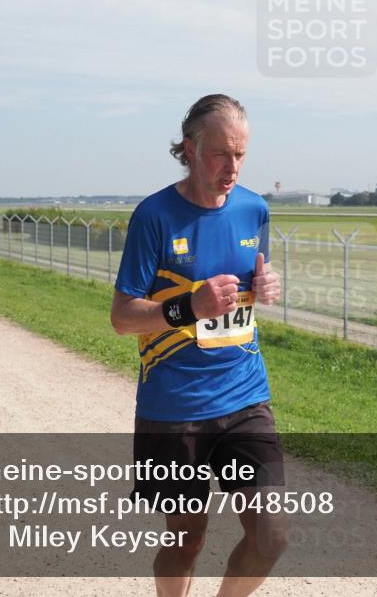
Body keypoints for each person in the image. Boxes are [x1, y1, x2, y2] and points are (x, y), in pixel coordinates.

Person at [111, 94, 286, 597]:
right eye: (220, 154)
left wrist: (268, 284)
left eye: (241, 155)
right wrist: (188, 307)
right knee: (187, 540)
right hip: (174, 408)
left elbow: (253, 280)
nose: (232, 167)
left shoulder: (255, 209)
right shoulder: (155, 216)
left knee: (271, 536)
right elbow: (123, 318)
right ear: (190, 148)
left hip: (244, 397)